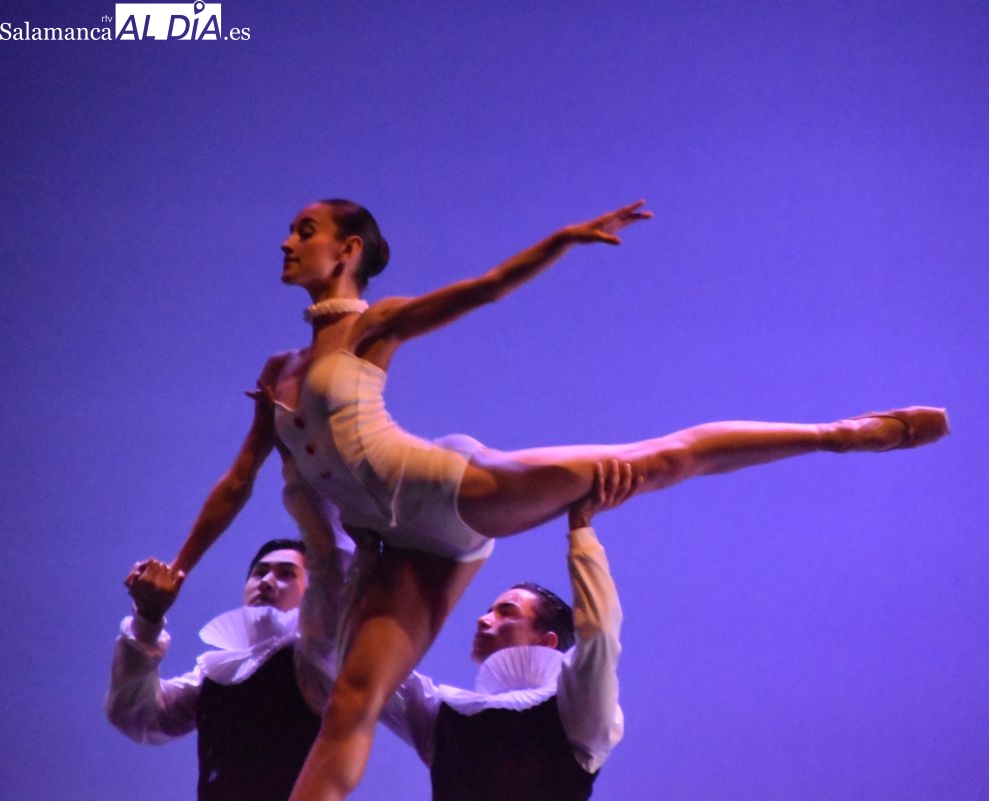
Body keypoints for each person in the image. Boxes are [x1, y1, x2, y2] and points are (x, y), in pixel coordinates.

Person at [162, 198, 948, 800]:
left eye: (305, 230)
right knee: (349, 705)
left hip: (448, 491)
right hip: (397, 549)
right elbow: (236, 482)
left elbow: (484, 290)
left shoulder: (377, 323)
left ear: (348, 249)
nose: (287, 241)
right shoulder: (278, 372)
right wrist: (179, 568)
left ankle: (839, 432)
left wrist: (562, 241)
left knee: (647, 461)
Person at [382, 460, 637, 801]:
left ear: (545, 641)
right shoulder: (444, 714)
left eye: (507, 612)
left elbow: (600, 635)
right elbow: (367, 667)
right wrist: (366, 553)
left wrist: (581, 529)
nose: (483, 620)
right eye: (489, 610)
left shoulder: (577, 714)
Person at [106, 522, 350, 800]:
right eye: (259, 573)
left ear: (312, 592)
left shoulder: (322, 659)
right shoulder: (218, 673)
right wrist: (147, 618)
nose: (266, 581)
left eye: (286, 574)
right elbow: (137, 714)